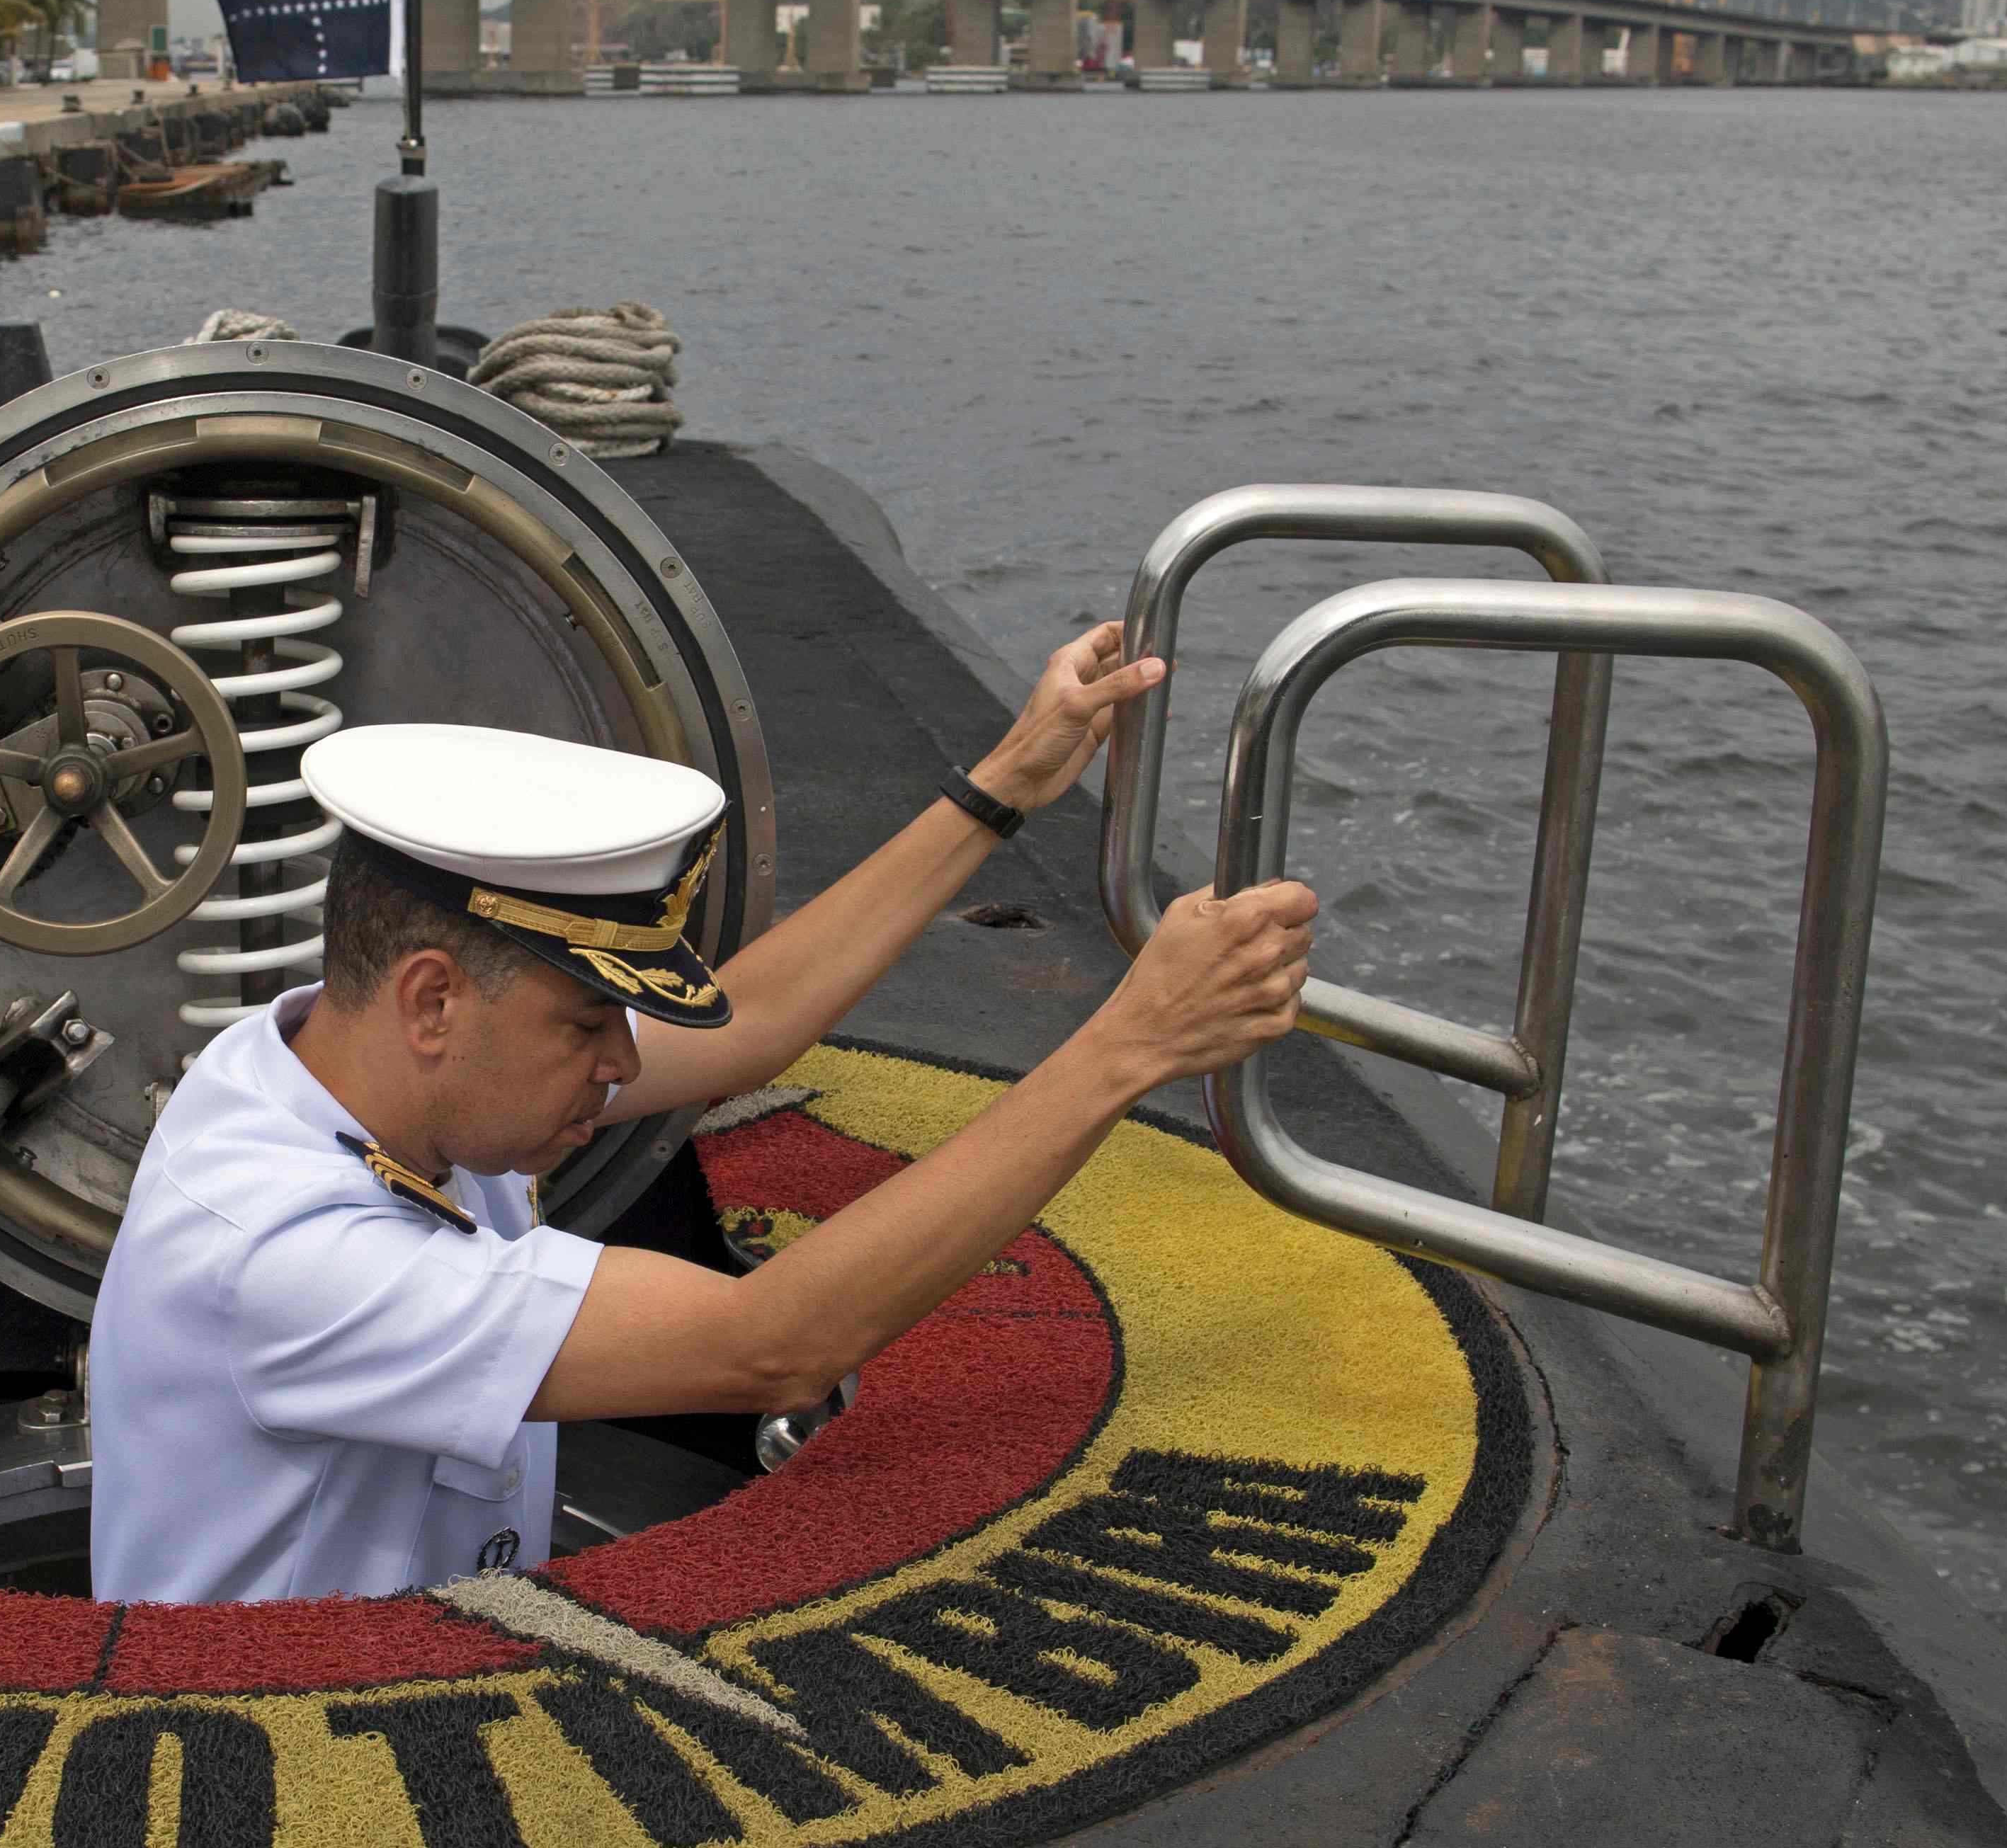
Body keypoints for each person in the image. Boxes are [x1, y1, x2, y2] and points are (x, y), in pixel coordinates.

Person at [84, 624, 1319, 1606]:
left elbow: (747, 1024)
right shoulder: (282, 1255)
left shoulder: (333, 1061)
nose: (621, 1065)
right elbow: (771, 1346)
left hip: (414, 1662)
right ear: (432, 999)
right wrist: (1129, 1045)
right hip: (279, 1775)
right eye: (587, 1025)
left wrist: (1001, 787)